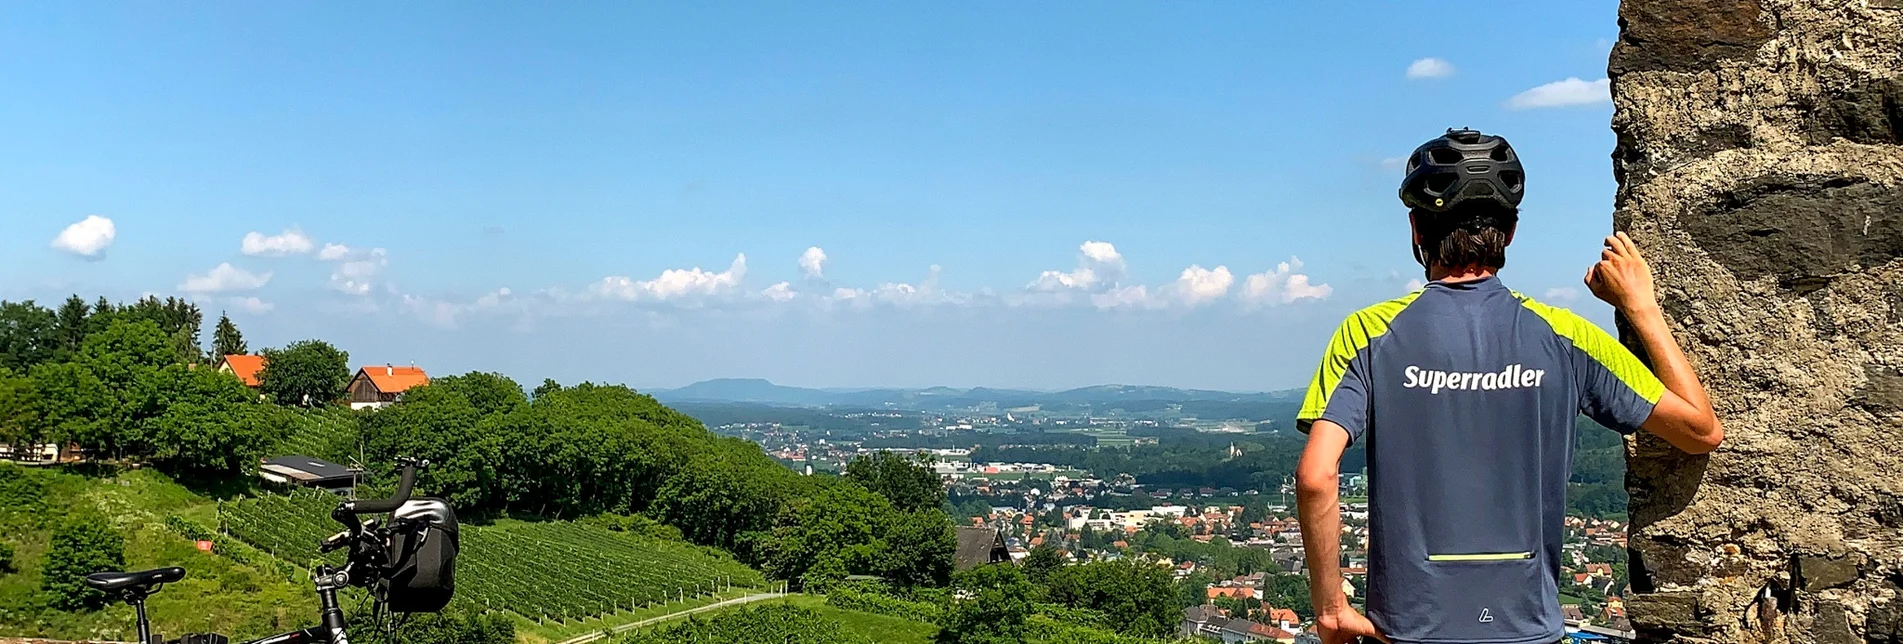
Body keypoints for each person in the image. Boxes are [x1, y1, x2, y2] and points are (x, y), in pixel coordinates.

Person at [1292, 129, 1723, 644]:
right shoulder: (1564, 335)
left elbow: (1317, 476)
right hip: (1526, 627)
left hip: (1407, 628)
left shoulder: (1368, 333)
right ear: (1511, 232)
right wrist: (1641, 309)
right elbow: (1700, 431)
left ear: (1416, 229)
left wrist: (1332, 607)